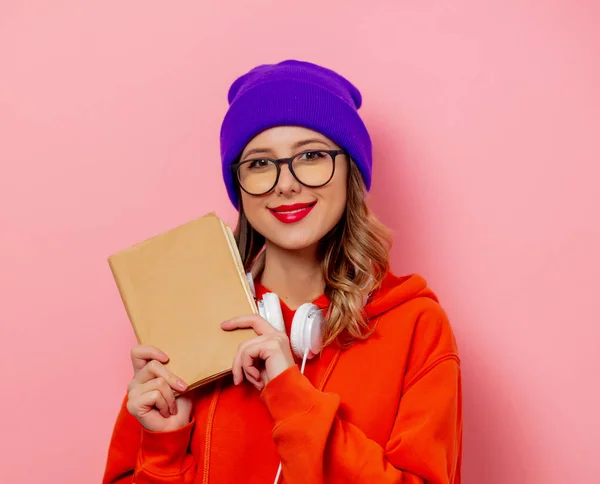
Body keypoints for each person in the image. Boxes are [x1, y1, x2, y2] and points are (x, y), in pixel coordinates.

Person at [102, 59, 462, 484]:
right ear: (239, 185)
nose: (285, 183)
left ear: (351, 172)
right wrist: (162, 447)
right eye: (258, 163)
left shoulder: (416, 326)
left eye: (311, 156)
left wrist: (292, 396)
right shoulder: (188, 323)